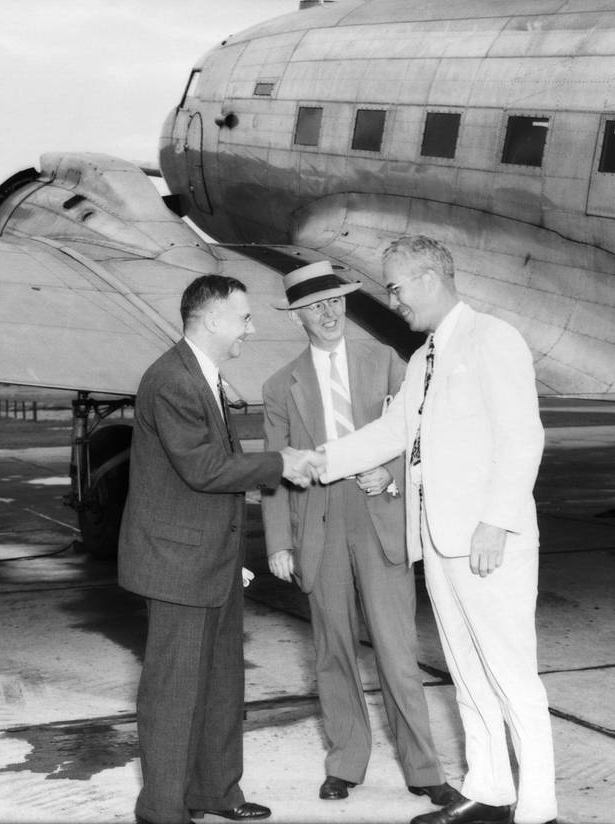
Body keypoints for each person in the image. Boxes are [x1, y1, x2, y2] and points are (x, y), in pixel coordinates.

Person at [308, 237, 557, 824]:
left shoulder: (492, 339)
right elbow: (393, 433)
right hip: (441, 544)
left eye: (394, 287)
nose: (392, 300)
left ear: (427, 279)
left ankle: (539, 809)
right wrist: (317, 460)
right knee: (467, 675)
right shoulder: (424, 358)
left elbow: (524, 439)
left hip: (489, 544)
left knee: (511, 675)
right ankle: (491, 791)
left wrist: (495, 523)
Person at [260, 260, 460, 809]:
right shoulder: (281, 385)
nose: (327, 314)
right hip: (317, 524)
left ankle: (423, 769)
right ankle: (345, 762)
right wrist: (278, 541)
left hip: (378, 517)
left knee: (398, 653)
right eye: (314, 307)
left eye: (334, 302)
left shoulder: (388, 362)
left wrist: (391, 474)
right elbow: (274, 469)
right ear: (298, 316)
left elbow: (417, 435)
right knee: (333, 650)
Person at [118, 275, 318, 824]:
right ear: (210, 320)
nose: (250, 330)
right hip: (177, 563)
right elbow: (203, 469)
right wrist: (282, 463)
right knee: (175, 690)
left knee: (221, 683)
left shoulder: (201, 375)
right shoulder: (174, 380)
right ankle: (161, 809)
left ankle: (213, 791)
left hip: (211, 558)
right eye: (244, 318)